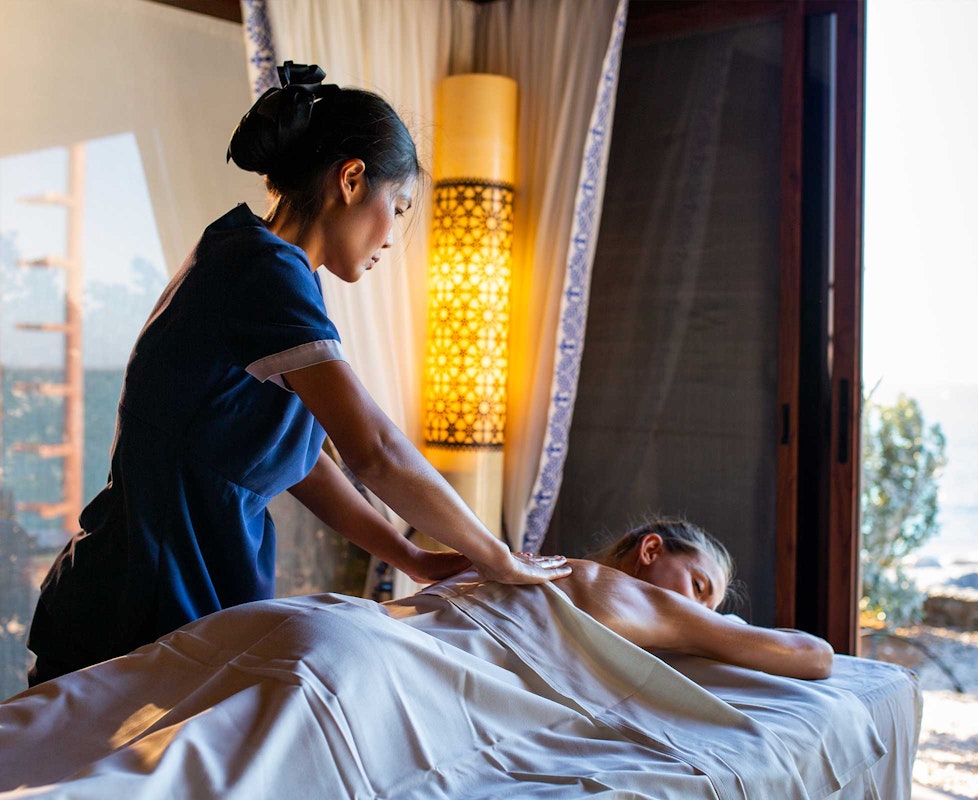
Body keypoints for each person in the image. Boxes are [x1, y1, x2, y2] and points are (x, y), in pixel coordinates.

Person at [26, 62, 569, 687]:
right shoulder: (264, 271)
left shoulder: (264, 263)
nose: (393, 236)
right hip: (142, 592)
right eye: (398, 205)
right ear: (351, 179)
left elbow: (305, 457)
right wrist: (495, 556)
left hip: (176, 581)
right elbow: (375, 450)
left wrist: (411, 555)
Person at [560, 517, 833, 680]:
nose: (700, 612)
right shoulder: (649, 605)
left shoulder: (564, 571)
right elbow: (816, 655)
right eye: (698, 586)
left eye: (711, 611)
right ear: (651, 550)